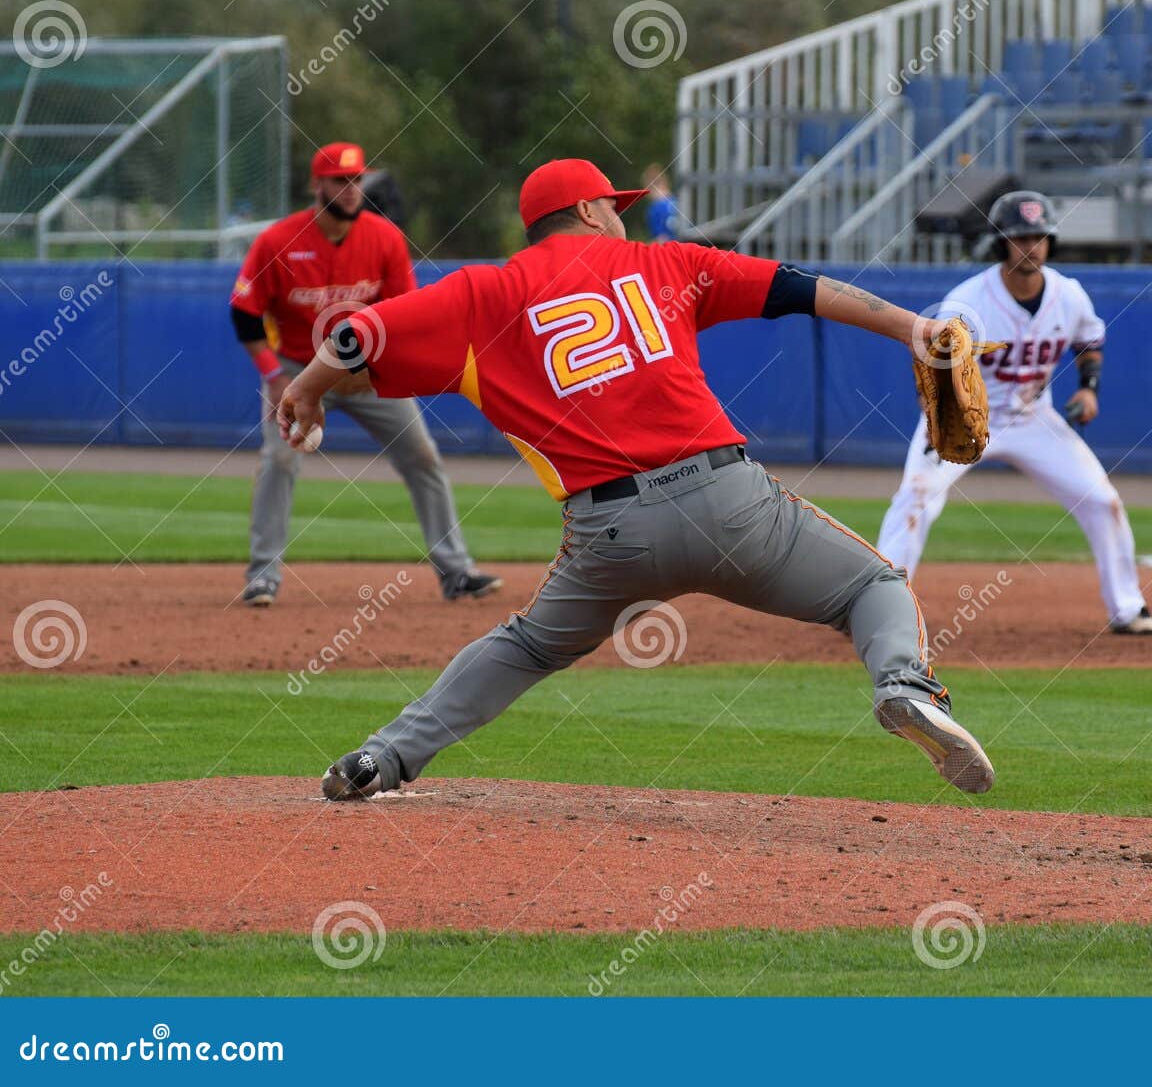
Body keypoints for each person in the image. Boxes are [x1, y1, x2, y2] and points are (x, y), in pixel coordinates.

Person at [281, 159, 994, 799]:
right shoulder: (666, 263)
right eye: (613, 205)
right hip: (731, 502)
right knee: (872, 586)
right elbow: (796, 289)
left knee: (528, 646)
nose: (620, 215)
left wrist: (308, 390)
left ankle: (383, 757)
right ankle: (903, 684)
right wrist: (912, 328)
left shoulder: (484, 292)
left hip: (609, 536)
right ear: (591, 210)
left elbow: (354, 336)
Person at [876, 191, 1152, 635]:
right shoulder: (969, 301)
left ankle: (1128, 608)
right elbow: (931, 366)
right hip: (962, 419)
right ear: (1000, 243)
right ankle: (882, 611)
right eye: (1020, 237)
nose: (1031, 246)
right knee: (915, 498)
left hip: (1034, 419)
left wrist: (1089, 389)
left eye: (1039, 236)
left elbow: (1088, 340)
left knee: (1103, 501)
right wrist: (936, 418)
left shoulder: (1068, 295)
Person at [231, 141, 501, 606]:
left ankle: (457, 572)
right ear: (317, 185)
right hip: (299, 369)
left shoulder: (384, 238)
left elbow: (402, 312)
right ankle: (263, 576)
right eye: (341, 180)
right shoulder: (278, 242)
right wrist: (274, 376)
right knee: (279, 460)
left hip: (367, 372)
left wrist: (388, 372)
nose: (352, 190)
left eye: (357, 180)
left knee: (423, 457)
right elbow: (245, 313)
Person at [642, 163, 682, 241]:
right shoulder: (680, 202)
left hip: (669, 250)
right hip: (686, 248)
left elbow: (661, 239)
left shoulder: (655, 208)